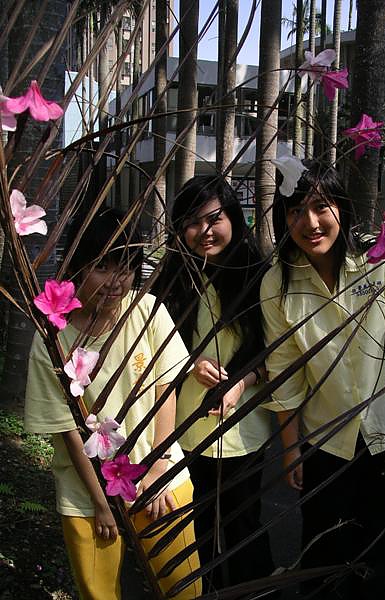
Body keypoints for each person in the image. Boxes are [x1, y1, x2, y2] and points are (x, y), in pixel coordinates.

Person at [260, 160, 385, 599]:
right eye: (296, 210)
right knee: (321, 554)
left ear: (342, 207)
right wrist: (291, 449)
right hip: (324, 442)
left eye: (322, 206)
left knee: (374, 557)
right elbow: (284, 371)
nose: (310, 222)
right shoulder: (278, 282)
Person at [25, 209, 202, 600]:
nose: (115, 281)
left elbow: (165, 388)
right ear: (76, 266)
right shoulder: (52, 338)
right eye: (102, 267)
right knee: (99, 593)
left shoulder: (147, 310)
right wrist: (101, 501)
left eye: (126, 268)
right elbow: (66, 427)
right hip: (86, 493)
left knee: (183, 588)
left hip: (160, 476)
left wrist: (158, 468)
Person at [153, 175, 274, 591]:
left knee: (243, 525)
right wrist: (190, 363)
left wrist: (240, 382)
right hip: (183, 425)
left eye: (214, 219)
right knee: (196, 527)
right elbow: (153, 341)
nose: (204, 231)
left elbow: (275, 350)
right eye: (192, 222)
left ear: (233, 218)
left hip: (242, 430)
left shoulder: (260, 276)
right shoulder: (173, 277)